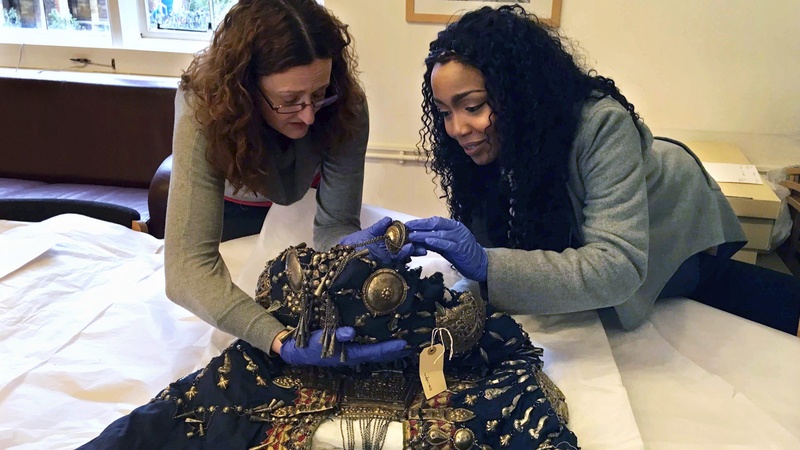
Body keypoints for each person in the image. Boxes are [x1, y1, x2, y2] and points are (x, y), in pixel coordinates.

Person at [406, 5, 800, 335]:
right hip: (618, 222)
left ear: (518, 94)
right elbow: (512, 244)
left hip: (674, 227)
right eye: (444, 112)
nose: (456, 128)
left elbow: (618, 267)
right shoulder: (488, 141)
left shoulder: (601, 124)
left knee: (699, 284)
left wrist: (489, 266)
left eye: (472, 106)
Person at [165, 0, 409, 366]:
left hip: (304, 215)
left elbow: (333, 225)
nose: (309, 116)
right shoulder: (204, 108)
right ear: (245, 88)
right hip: (231, 219)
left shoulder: (345, 105)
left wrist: (354, 250)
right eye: (290, 101)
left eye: (317, 94)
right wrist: (277, 339)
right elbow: (187, 269)